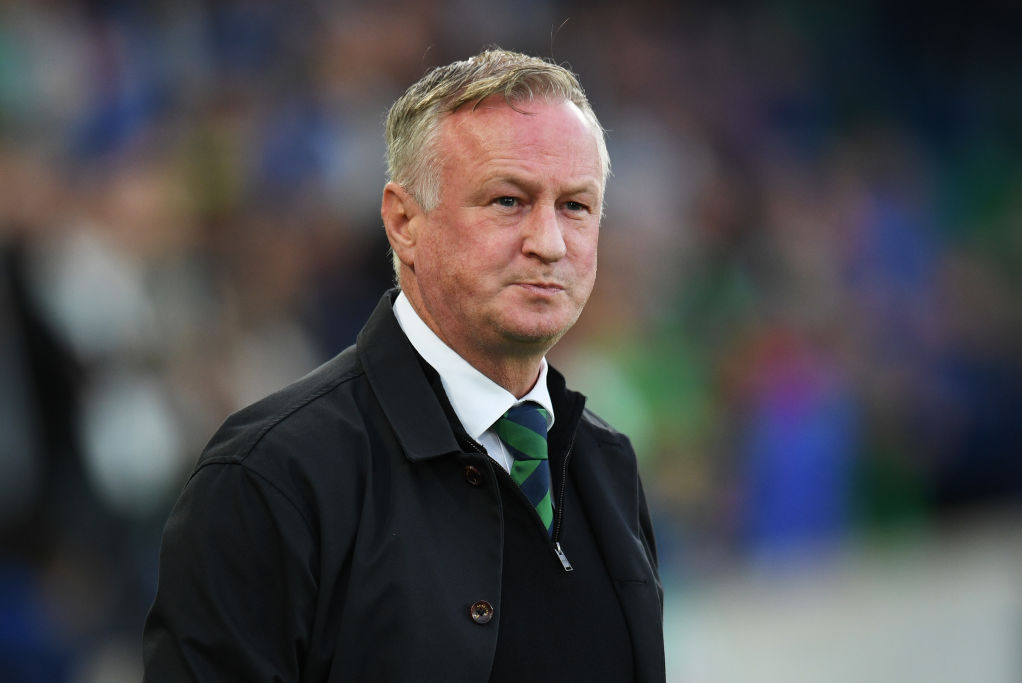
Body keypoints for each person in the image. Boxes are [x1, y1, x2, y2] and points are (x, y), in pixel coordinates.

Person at [143, 48, 665, 682]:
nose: (549, 243)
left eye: (576, 206)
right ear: (403, 222)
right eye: (508, 201)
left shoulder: (609, 467)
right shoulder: (269, 477)